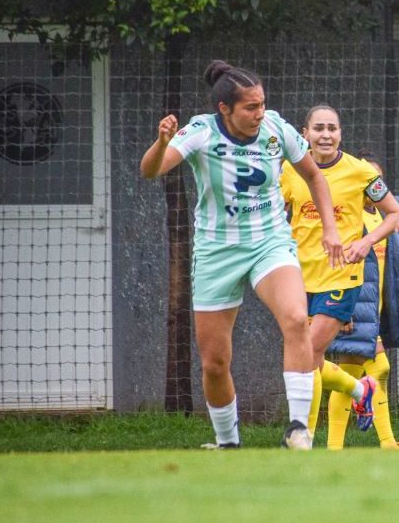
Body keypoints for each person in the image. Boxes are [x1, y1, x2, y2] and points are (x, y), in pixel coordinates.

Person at [139, 60, 344, 450]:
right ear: (224, 110)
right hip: (217, 251)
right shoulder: (200, 131)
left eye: (262, 104)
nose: (259, 113)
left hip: (269, 242)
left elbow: (314, 175)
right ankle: (228, 443)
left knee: (297, 318)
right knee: (214, 363)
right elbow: (152, 171)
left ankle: (298, 429)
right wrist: (162, 141)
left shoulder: (276, 130)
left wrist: (330, 229)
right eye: (250, 107)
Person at [279, 106, 399, 445]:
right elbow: (276, 214)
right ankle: (358, 389)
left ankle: (300, 434)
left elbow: (394, 214)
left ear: (340, 134)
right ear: (305, 133)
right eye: (318, 128)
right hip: (298, 278)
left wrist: (366, 242)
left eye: (332, 128)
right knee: (310, 360)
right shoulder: (290, 171)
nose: (325, 135)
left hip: (342, 278)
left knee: (304, 354)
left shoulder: (361, 172)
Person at [323, 154, 399, 450]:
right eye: (366, 178)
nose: (372, 184)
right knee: (377, 369)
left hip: (375, 313)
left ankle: (337, 448)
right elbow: (337, 264)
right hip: (353, 310)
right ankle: (385, 442)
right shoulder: (347, 216)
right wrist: (342, 311)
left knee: (352, 375)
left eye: (377, 179)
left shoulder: (380, 217)